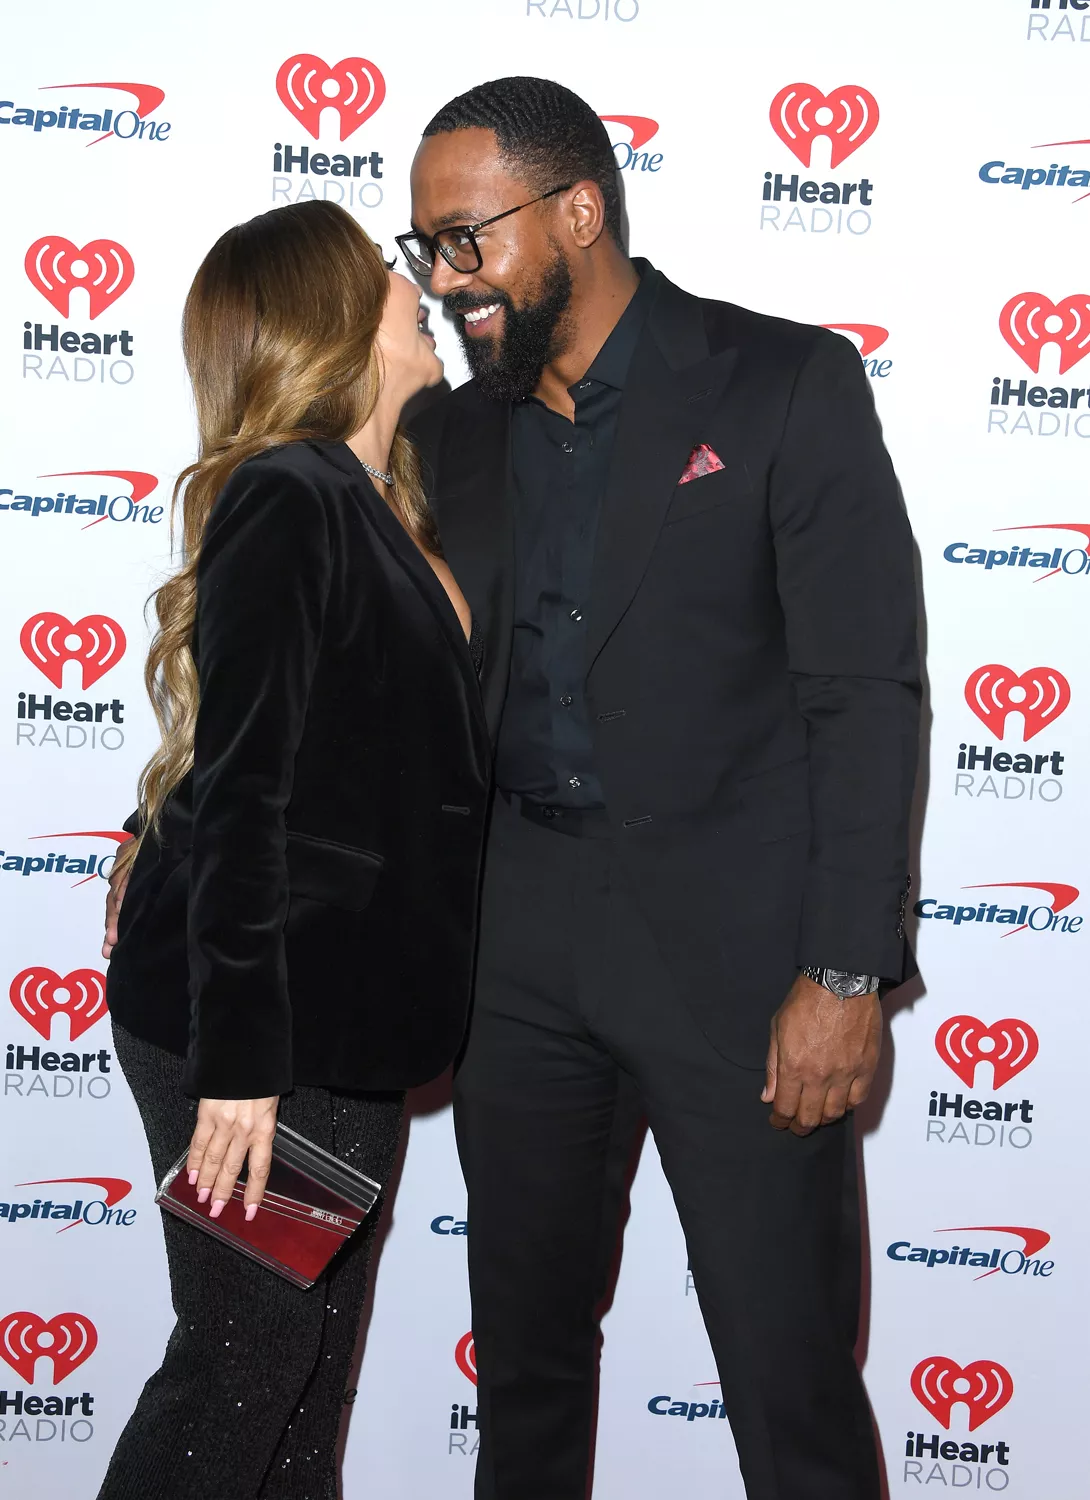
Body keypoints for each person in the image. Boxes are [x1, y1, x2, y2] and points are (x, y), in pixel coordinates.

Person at [398, 77, 920, 1499]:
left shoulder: (778, 383)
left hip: (743, 965)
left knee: (787, 1376)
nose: (447, 280)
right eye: (425, 252)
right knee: (523, 1374)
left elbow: (863, 697)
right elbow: (334, 665)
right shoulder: (450, 436)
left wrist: (841, 970)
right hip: (517, 951)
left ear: (576, 211)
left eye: (465, 240)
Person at [98, 199, 488, 1499]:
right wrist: (243, 1067)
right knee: (242, 1371)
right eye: (386, 271)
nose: (413, 285)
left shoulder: (380, 508)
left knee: (300, 1378)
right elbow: (253, 792)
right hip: (261, 1039)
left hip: (341, 1033)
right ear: (333, 317)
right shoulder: (292, 494)